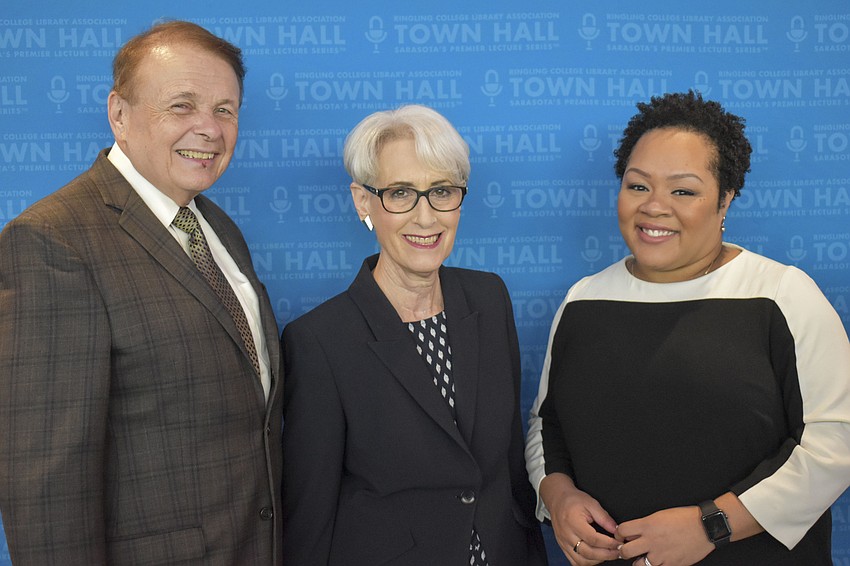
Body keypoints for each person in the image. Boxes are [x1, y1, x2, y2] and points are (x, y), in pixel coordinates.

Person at [525, 91, 850, 566]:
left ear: (725, 199)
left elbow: (834, 441)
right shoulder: (583, 300)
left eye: (683, 190)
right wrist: (557, 497)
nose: (654, 207)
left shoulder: (780, 295)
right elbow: (546, 426)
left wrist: (711, 525)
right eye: (638, 186)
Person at [0, 21, 283, 565]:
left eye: (225, 109)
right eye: (181, 105)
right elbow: (46, 489)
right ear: (119, 115)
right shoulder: (52, 241)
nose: (209, 129)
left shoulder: (218, 229)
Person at [280, 104, 548, 565]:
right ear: (363, 202)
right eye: (401, 193)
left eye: (441, 191)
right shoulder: (319, 341)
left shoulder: (489, 297)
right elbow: (311, 513)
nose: (426, 218)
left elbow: (506, 463)